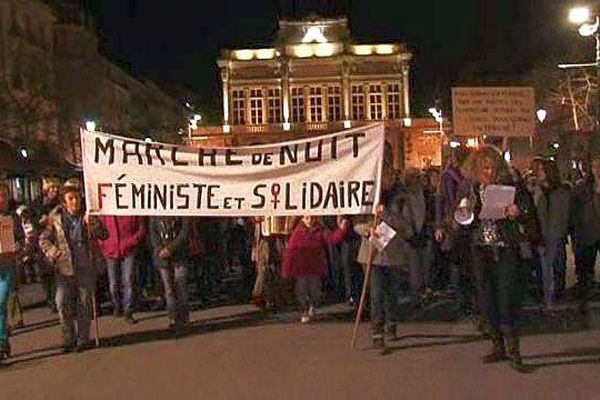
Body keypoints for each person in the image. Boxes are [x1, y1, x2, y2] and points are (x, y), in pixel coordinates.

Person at [459, 146, 535, 373]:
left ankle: (514, 350)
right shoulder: (471, 189)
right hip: (481, 250)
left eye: (492, 167)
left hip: (505, 248)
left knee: (506, 299)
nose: (489, 172)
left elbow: (528, 209)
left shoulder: (511, 186)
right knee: (487, 299)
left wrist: (516, 210)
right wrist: (466, 212)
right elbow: (462, 220)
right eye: (484, 168)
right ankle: (497, 345)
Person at [38, 184, 107, 353]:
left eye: (77, 198)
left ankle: (83, 339)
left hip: (85, 265)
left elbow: (104, 234)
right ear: (64, 201)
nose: (75, 202)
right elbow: (43, 240)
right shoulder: (55, 219)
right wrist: (54, 253)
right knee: (62, 302)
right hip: (64, 267)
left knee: (84, 303)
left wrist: (93, 225)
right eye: (71, 199)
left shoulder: (88, 216)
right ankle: (68, 338)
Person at [354, 195, 414, 354]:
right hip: (371, 255)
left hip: (393, 255)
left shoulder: (400, 198)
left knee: (391, 293)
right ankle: (377, 334)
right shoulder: (366, 197)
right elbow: (356, 224)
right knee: (376, 294)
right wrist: (367, 230)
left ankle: (391, 322)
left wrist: (387, 215)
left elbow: (407, 228)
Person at [282, 215, 348, 323]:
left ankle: (313, 306)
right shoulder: (298, 230)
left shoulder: (320, 230)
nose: (309, 221)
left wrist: (342, 229)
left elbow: (332, 239)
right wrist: (287, 267)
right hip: (301, 267)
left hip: (315, 267)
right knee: (301, 290)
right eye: (307, 218)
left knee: (315, 290)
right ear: (302, 219)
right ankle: (304, 310)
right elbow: (291, 250)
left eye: (312, 218)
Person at [533, 159, 570, 311]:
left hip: (553, 234)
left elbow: (561, 215)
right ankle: (548, 297)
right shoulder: (540, 190)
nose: (539, 173)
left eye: (542, 170)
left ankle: (550, 299)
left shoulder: (560, 192)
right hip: (542, 233)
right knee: (546, 267)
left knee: (550, 267)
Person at [98, 215, 146, 324]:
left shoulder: (132, 209)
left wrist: (131, 242)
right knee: (113, 284)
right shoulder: (107, 211)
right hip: (110, 251)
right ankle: (117, 305)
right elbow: (99, 229)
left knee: (128, 280)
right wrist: (104, 246)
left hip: (128, 250)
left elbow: (141, 229)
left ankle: (128, 311)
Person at [149, 216, 190, 331]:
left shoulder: (182, 212)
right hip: (162, 257)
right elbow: (153, 234)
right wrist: (160, 249)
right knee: (169, 290)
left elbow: (184, 232)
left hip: (180, 255)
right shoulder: (155, 214)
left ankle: (183, 317)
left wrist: (170, 248)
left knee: (181, 287)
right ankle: (172, 318)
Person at [570, 153, 600, 302]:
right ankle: (584, 290)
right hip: (587, 231)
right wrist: (576, 228)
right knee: (585, 264)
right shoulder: (582, 187)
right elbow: (574, 209)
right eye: (596, 166)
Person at [0, 183, 19, 362]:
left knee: (1, 301)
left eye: (4, 196)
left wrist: (19, 245)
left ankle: (2, 341)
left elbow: (24, 237)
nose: (1, 199)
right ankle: (2, 340)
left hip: (6, 266)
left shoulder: (13, 217)